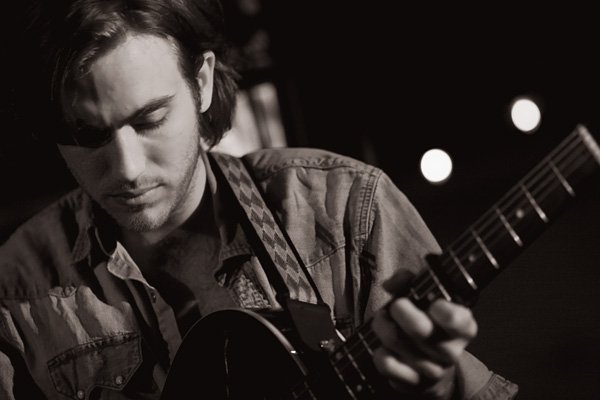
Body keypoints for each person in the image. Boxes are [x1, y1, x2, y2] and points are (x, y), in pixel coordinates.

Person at [0, 0, 518, 399]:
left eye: (150, 119)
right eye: (87, 136)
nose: (127, 168)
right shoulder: (16, 288)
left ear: (202, 82)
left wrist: (434, 385)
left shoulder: (345, 208)